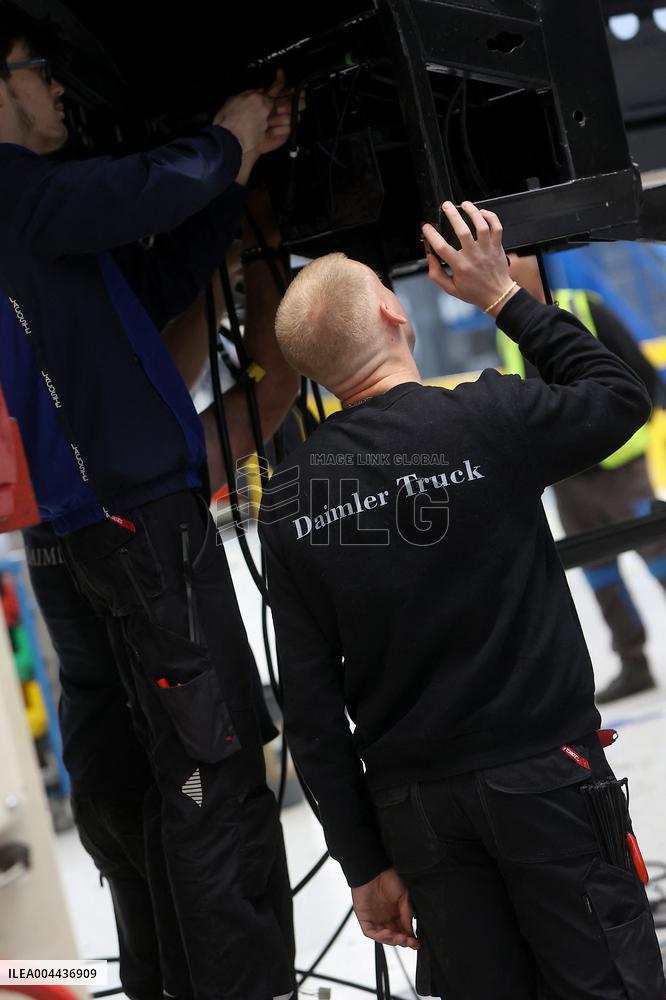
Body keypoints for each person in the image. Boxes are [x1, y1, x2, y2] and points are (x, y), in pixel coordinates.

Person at [258, 199, 665, 999]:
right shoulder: (486, 416)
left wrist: (364, 862)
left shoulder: (289, 500)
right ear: (392, 310)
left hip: (418, 818)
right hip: (546, 783)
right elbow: (620, 398)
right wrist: (503, 296)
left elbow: (308, 706)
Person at [0, 7, 297, 998]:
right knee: (213, 783)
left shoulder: (45, 219)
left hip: (103, 529)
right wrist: (227, 138)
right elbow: (146, 188)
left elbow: (159, 273)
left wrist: (240, 170)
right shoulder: (19, 195)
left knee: (159, 784)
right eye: (40, 71)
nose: (57, 91)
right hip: (135, 522)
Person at [499, 255, 665, 703]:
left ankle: (634, 664)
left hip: (619, 466)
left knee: (658, 556)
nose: (508, 268)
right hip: (569, 476)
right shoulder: (509, 332)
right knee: (598, 572)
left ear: (537, 262)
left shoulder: (584, 306)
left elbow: (642, 375)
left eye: (515, 258)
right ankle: (634, 665)